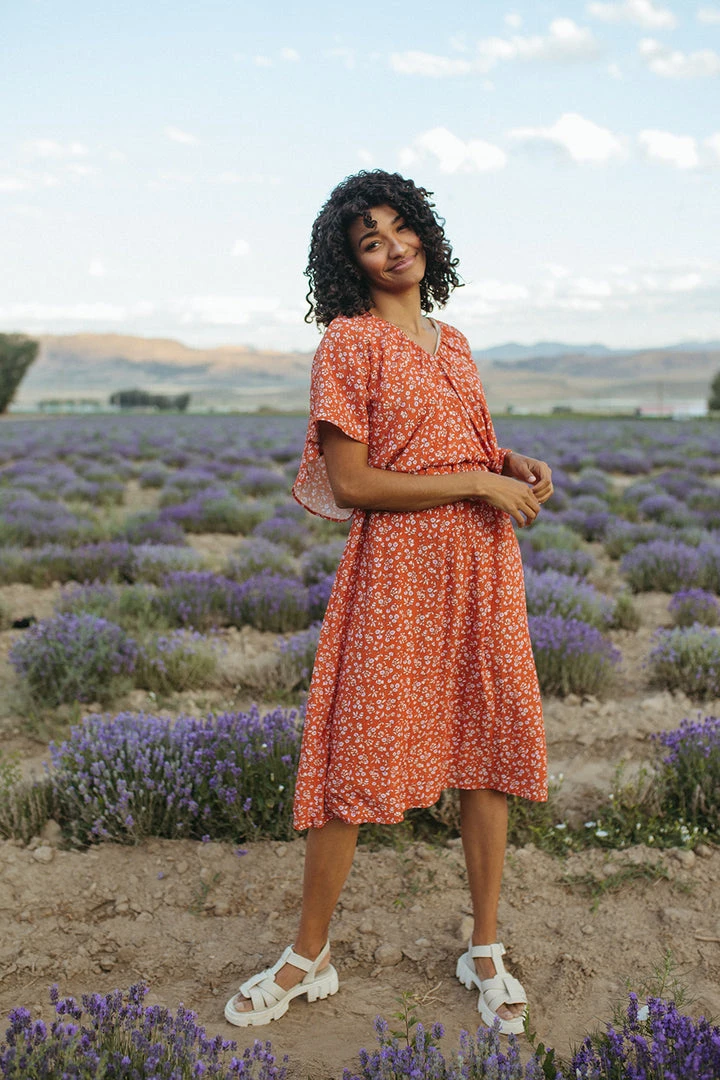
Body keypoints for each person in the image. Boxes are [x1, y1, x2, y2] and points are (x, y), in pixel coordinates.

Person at [225, 169, 552, 1035]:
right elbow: (353, 479)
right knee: (352, 758)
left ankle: (484, 947)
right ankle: (309, 956)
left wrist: (506, 461)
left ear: (426, 238)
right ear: (352, 261)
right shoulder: (348, 342)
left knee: (487, 744)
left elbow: (456, 442)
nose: (393, 245)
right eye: (371, 238)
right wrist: (479, 479)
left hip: (481, 567)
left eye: (402, 228)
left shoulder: (458, 343)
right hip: (398, 574)